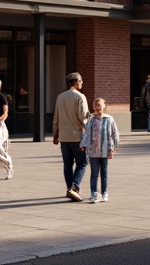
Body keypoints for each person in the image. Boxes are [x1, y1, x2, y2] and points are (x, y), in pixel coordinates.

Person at [53, 72, 90, 201]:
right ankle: (74, 188)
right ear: (77, 81)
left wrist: (55, 134)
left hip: (64, 136)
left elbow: (56, 117)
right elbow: (83, 117)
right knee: (83, 162)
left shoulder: (60, 97)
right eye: (81, 80)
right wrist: (89, 132)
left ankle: (69, 188)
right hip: (77, 136)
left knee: (67, 164)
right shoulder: (80, 97)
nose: (82, 82)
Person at [81, 97, 120, 203]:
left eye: (100, 105)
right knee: (94, 173)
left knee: (104, 173)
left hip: (105, 150)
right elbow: (86, 133)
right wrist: (83, 145)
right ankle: (94, 193)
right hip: (93, 150)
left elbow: (114, 134)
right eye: (96, 105)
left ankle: (104, 193)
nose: (98, 107)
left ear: (104, 106)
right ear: (94, 107)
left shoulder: (109, 119)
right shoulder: (91, 120)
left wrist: (112, 148)